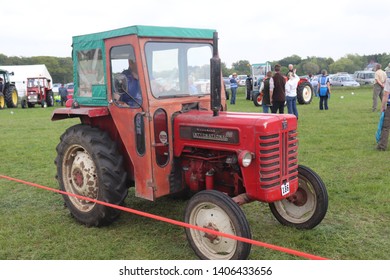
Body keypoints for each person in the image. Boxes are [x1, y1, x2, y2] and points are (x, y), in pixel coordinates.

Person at [376, 75, 390, 150]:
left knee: (385, 127)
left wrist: (382, 107)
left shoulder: (389, 79)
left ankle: (382, 146)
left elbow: (386, 94)